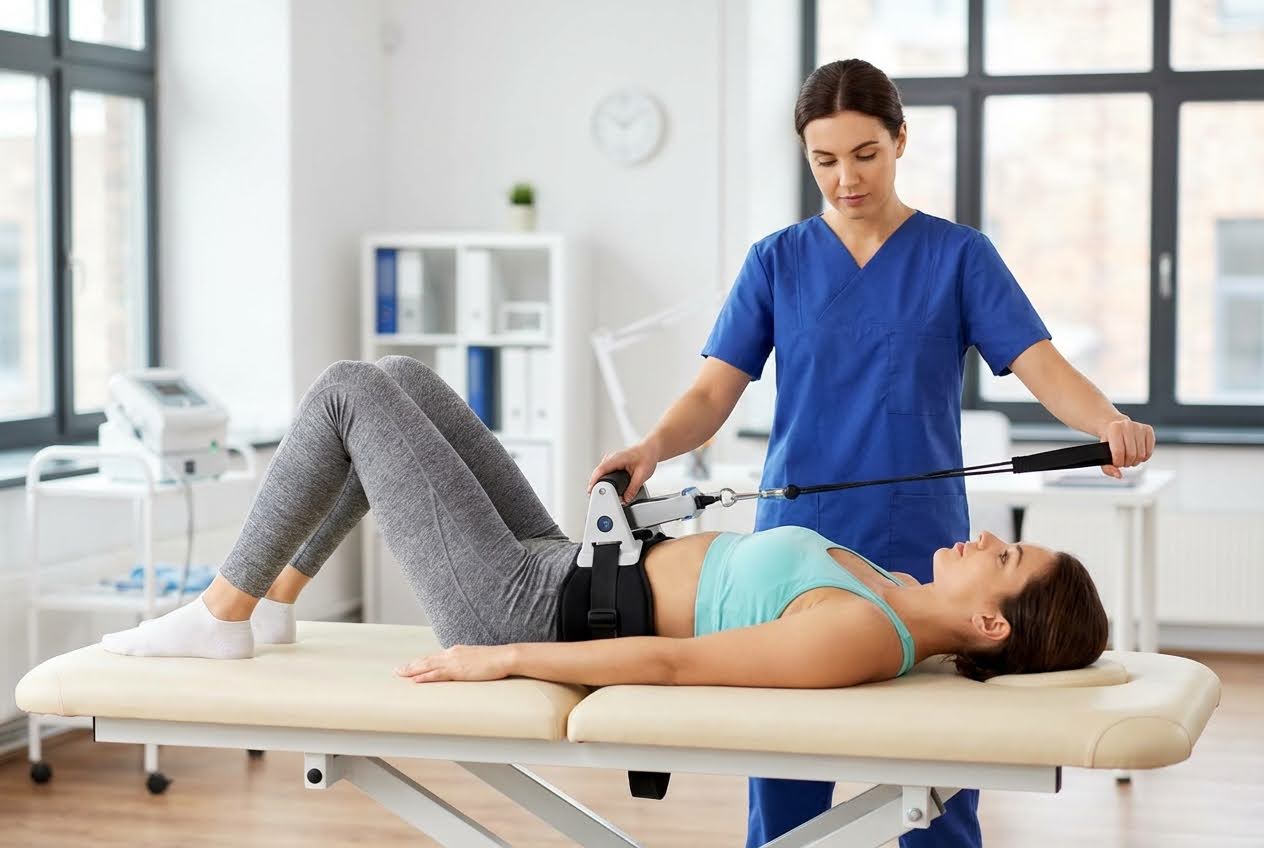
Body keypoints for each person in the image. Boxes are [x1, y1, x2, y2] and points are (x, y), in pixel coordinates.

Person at [584, 58, 1156, 848]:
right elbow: (715, 393)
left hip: (925, 549)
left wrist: (1108, 421)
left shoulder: (958, 257)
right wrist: (653, 445)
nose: (846, 179)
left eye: (864, 155)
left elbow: (1039, 364)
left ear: (899, 142)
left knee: (936, 777)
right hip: (798, 551)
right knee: (786, 771)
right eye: (825, 161)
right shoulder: (777, 260)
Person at [100, 355, 1107, 705]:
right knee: (403, 385)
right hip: (570, 557)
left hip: (527, 601)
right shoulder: (888, 588)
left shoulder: (861, 633)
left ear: (990, 627)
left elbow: (673, 665)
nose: (986, 539)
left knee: (348, 393)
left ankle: (221, 610)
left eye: (1006, 558)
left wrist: (500, 660)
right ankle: (276, 602)